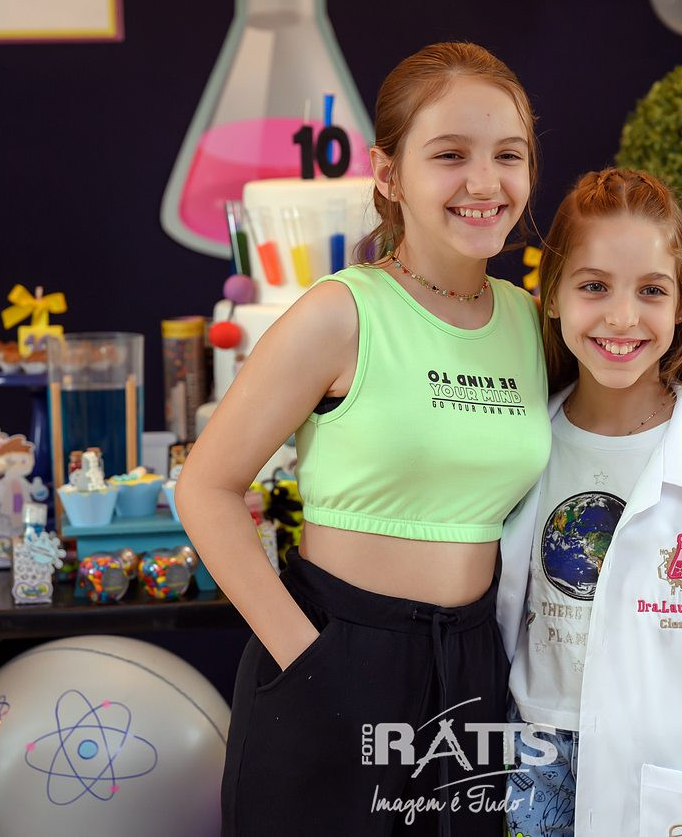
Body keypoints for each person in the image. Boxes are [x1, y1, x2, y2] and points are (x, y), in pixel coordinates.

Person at [175, 42, 551, 836]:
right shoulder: (340, 313)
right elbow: (205, 487)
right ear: (387, 173)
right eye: (449, 154)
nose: (485, 182)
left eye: (507, 155)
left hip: (474, 671)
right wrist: (307, 658)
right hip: (334, 655)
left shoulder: (529, 322)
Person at [496, 168, 682, 837]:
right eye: (593, 286)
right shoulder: (519, 446)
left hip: (662, 781)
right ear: (551, 295)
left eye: (651, 290)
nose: (622, 317)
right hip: (532, 766)